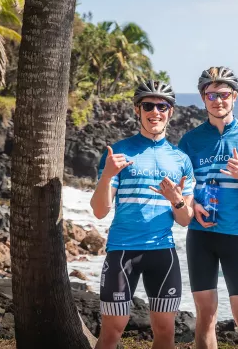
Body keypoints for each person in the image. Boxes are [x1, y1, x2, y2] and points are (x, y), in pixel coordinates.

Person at [90, 80, 195, 349]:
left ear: (171, 112)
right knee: (113, 330)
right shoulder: (118, 153)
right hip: (122, 252)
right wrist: (107, 175)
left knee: (165, 331)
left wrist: (177, 201)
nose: (155, 111)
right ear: (138, 110)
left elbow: (185, 220)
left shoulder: (181, 159)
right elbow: (100, 211)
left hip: (163, 252)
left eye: (163, 106)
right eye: (149, 105)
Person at [178, 66, 238, 349]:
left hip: (236, 237)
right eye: (211, 95)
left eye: (224, 94)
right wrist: (193, 204)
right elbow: (184, 192)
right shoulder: (190, 141)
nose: (218, 100)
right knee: (205, 317)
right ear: (202, 98)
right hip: (200, 236)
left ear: (235, 96)